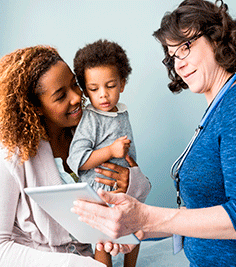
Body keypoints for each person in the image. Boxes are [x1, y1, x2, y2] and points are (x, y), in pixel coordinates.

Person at [71, 0, 236, 266]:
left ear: (217, 39)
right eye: (172, 55)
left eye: (186, 46)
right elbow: (199, 214)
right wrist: (134, 229)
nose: (178, 64)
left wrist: (146, 216)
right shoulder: (216, 113)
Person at [0, 45, 151, 267]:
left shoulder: (91, 133)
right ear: (36, 107)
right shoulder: (13, 155)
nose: (77, 97)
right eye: (60, 96)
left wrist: (130, 182)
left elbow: (136, 195)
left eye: (75, 85)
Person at [67, 39, 141, 266]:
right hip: (99, 193)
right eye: (94, 89)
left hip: (123, 190)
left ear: (122, 83)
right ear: (86, 90)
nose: (103, 95)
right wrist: (110, 150)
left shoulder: (122, 113)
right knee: (102, 241)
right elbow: (76, 160)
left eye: (110, 86)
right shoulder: (91, 118)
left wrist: (134, 173)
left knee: (136, 230)